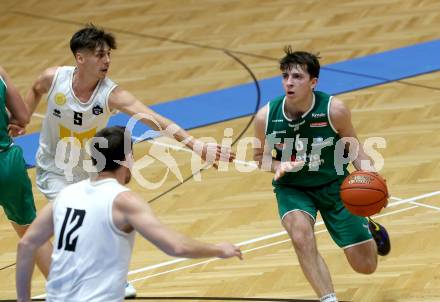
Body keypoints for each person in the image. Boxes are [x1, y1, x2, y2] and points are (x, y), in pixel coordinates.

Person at [24, 24, 234, 297]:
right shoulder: (54, 78)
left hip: (91, 169)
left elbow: (154, 119)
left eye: (109, 54)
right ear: (80, 58)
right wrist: (23, 117)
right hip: (54, 168)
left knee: (103, 219)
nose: (107, 60)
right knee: (76, 219)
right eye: (100, 55)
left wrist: (195, 144)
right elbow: (35, 89)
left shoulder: (111, 94)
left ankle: (108, 276)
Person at [16, 126, 242, 302]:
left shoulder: (66, 195)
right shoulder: (123, 201)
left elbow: (26, 245)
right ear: (126, 160)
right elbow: (176, 247)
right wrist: (218, 249)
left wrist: (23, 299)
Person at [252, 47, 390, 302]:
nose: (289, 82)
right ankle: (328, 299)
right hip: (293, 189)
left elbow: (355, 150)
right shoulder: (266, 117)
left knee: (365, 266)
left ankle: (370, 226)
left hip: (335, 184)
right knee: (301, 236)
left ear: (313, 82)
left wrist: (373, 179)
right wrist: (276, 166)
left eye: (297, 77)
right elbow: (259, 158)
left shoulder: (334, 110)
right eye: (285, 76)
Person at [0, 66, 52, 278]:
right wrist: (12, 123)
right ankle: (66, 292)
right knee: (31, 231)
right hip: (7, 161)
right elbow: (22, 115)